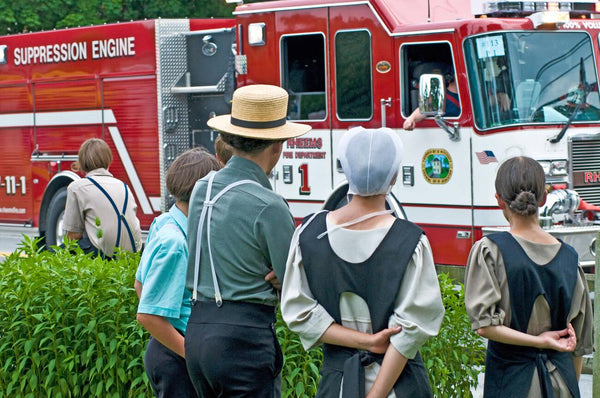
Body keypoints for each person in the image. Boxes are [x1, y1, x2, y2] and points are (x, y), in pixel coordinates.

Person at [281, 127, 445, 398]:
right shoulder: (411, 241)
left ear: (346, 171)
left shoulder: (308, 234)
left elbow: (301, 314)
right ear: (394, 177)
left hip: (337, 384)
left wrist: (364, 341)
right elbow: (410, 330)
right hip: (399, 387)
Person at [184, 84, 311, 397]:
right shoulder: (270, 205)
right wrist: (284, 279)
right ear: (277, 146)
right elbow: (295, 284)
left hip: (197, 332)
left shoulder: (203, 188)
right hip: (244, 339)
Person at [464, 156, 593, 398]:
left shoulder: (490, 251)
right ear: (544, 198)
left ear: (498, 200)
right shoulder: (570, 259)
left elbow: (484, 326)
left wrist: (541, 342)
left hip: (511, 384)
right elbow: (578, 346)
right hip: (563, 383)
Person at [135, 148, 221, 398]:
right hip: (177, 355)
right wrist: (192, 355)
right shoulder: (176, 244)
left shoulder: (165, 222)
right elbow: (148, 316)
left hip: (168, 349)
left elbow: (140, 285)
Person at [63, 137, 141, 258]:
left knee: (60, 250)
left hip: (103, 254)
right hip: (131, 253)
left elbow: (73, 236)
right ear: (108, 160)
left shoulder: (77, 187)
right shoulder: (124, 186)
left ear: (82, 162)